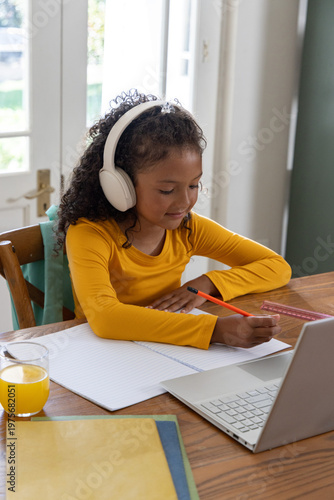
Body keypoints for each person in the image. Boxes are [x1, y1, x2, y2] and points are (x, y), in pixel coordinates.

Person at [56, 89, 291, 350]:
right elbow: (105, 317)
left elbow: (277, 267)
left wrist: (209, 282)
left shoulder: (188, 228)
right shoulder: (90, 234)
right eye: (167, 190)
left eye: (193, 185)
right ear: (120, 185)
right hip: (102, 351)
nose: (184, 203)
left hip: (166, 347)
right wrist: (215, 331)